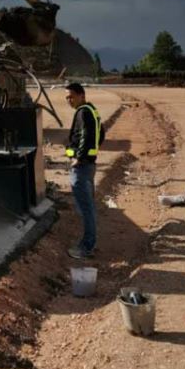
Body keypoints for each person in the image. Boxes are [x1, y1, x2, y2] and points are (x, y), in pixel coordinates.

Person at [64, 82, 105, 259]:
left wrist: (78, 158)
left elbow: (86, 136)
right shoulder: (91, 110)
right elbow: (100, 133)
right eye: (67, 97)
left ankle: (86, 247)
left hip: (81, 167)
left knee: (85, 208)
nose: (69, 100)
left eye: (71, 96)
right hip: (89, 166)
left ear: (81, 95)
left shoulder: (83, 112)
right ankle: (89, 242)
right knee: (88, 207)